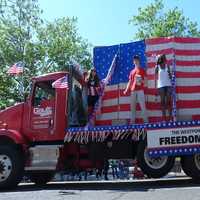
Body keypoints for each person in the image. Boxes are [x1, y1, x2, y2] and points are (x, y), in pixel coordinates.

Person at [124, 55, 148, 124]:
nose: (136, 61)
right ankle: (132, 123)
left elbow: (146, 82)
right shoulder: (132, 72)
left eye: (137, 59)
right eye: (134, 60)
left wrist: (141, 81)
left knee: (143, 106)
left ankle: (146, 122)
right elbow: (130, 81)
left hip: (140, 90)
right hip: (133, 91)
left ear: (139, 60)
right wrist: (126, 89)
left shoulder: (142, 70)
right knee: (132, 108)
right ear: (133, 62)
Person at [155, 54, 172, 121]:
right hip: (160, 86)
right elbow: (155, 78)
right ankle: (164, 119)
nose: (164, 60)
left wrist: (170, 74)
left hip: (168, 85)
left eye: (165, 58)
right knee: (162, 102)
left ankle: (170, 118)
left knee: (168, 101)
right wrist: (156, 88)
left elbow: (170, 77)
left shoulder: (168, 66)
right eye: (163, 58)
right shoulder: (157, 67)